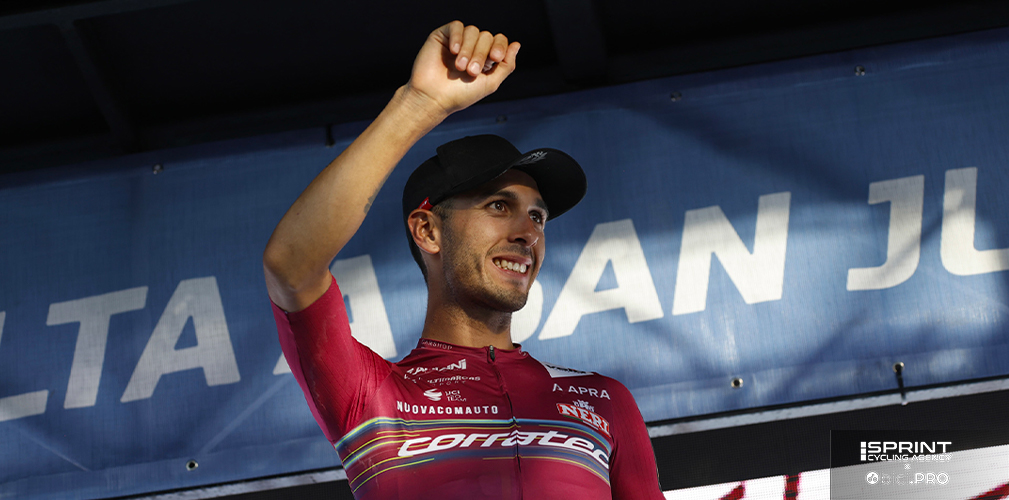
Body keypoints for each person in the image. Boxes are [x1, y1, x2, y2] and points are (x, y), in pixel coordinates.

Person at [263, 21, 664, 500]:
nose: (529, 233)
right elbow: (291, 265)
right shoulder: (372, 396)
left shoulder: (604, 400)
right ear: (428, 231)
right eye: (498, 206)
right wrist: (419, 104)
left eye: (538, 216)